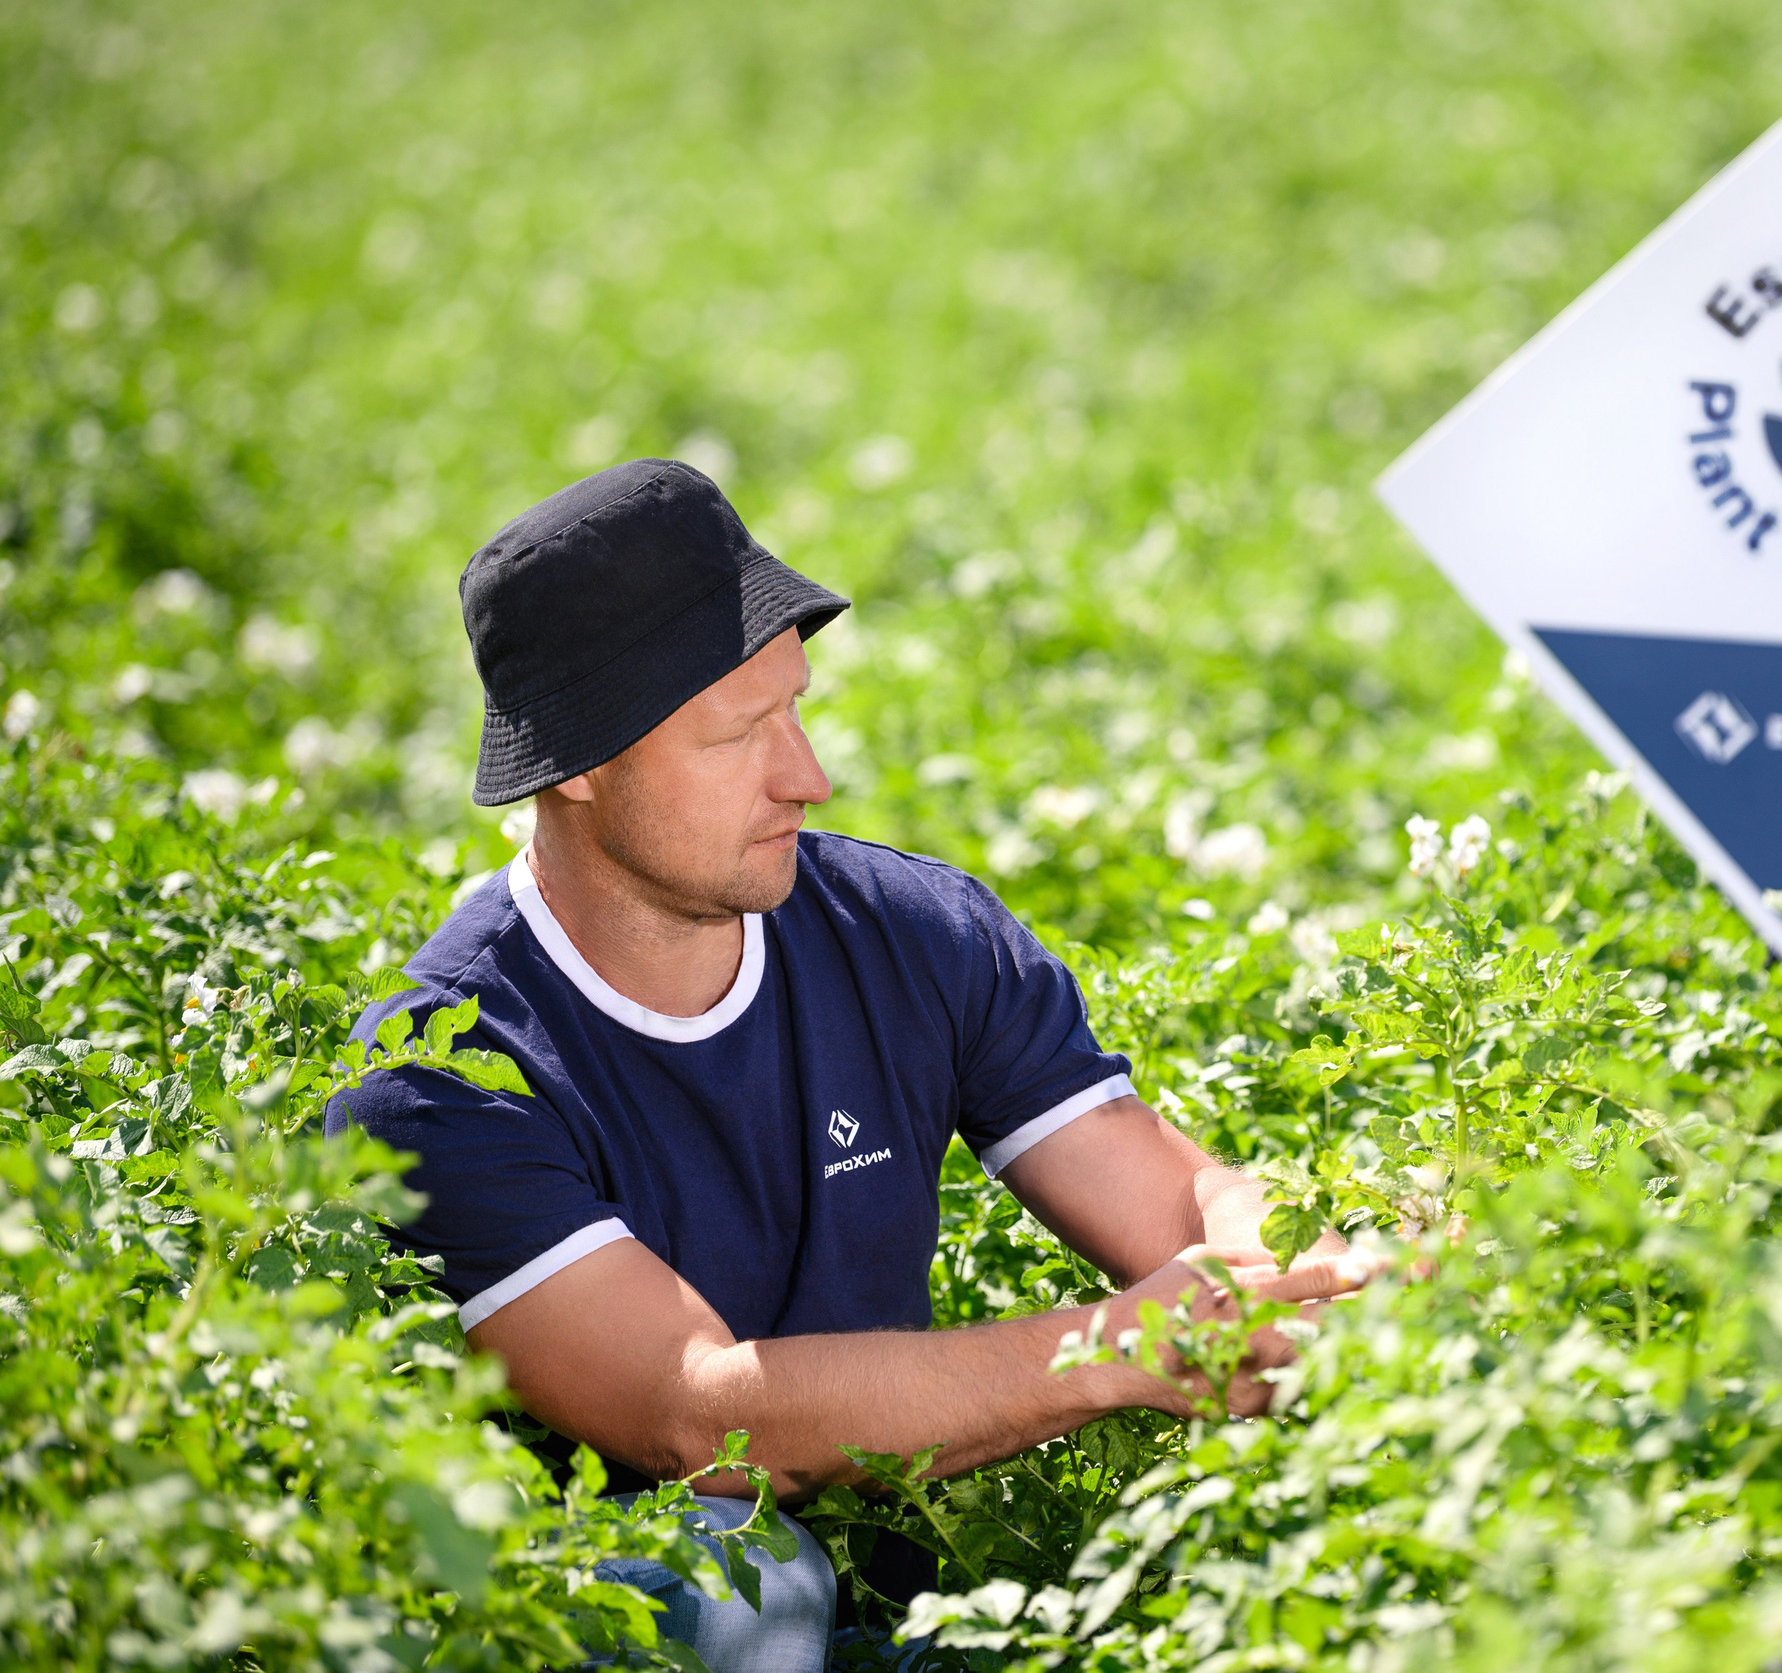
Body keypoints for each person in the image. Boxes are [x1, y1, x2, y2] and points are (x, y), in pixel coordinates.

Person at [327, 459, 1360, 1671]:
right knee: (740, 1576)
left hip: (912, 1601)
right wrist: (1108, 1354)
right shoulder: (446, 1071)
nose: (804, 775)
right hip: (595, 1616)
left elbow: (1169, 1193)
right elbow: (698, 1415)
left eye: (796, 708)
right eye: (735, 735)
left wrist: (1290, 1252)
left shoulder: (914, 932)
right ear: (578, 767)